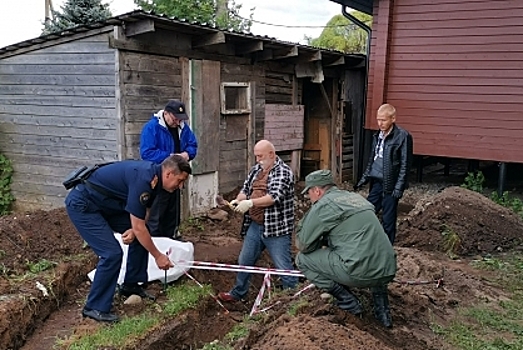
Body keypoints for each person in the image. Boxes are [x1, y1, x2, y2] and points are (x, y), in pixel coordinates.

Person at [65, 155, 192, 323]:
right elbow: (140, 227)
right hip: (84, 205)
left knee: (140, 237)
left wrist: (134, 229)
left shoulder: (156, 180)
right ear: (169, 174)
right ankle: (94, 307)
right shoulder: (144, 179)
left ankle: (131, 284)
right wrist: (158, 256)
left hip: (107, 205)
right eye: (180, 180)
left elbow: (144, 212)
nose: (180, 186)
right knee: (111, 253)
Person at [296, 169, 397, 328]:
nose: (309, 197)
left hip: (358, 272)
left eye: (309, 192)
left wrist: (319, 241)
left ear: (317, 190)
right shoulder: (355, 198)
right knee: (370, 249)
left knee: (302, 259)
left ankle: (348, 301)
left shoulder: (324, 205)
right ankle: (383, 312)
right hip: (387, 268)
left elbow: (303, 245)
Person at [218, 140, 298, 302]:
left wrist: (251, 203)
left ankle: (293, 300)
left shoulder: (283, 172)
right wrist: (239, 200)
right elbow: (245, 189)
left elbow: (273, 197)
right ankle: (238, 293)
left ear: (271, 154)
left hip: (277, 229)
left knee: (283, 267)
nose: (257, 160)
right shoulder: (256, 170)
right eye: (256, 156)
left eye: (260, 156)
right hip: (255, 225)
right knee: (244, 261)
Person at [354, 103, 413, 244]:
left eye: (384, 120)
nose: (380, 123)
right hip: (377, 182)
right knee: (368, 211)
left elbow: (405, 164)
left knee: (388, 218)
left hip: (391, 184)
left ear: (393, 119)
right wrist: (363, 179)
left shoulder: (402, 136)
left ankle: (387, 247)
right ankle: (368, 242)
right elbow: (373, 160)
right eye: (378, 119)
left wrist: (399, 187)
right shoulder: (377, 136)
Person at [140, 100, 198, 240]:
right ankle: (154, 242)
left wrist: (186, 154)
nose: (178, 122)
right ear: (166, 113)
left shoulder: (183, 128)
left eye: (180, 119)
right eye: (175, 119)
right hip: (159, 177)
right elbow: (146, 153)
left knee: (173, 212)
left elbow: (193, 145)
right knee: (156, 213)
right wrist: (170, 157)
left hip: (177, 176)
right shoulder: (152, 128)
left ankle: (172, 238)